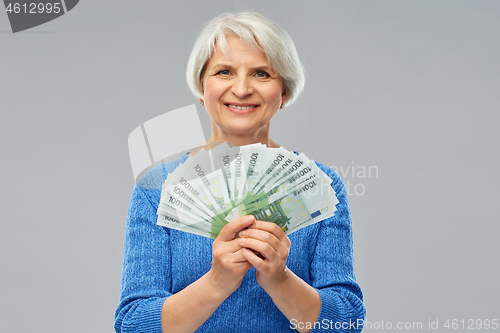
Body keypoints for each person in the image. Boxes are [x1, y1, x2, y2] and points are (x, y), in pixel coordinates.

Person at [114, 11, 365, 333]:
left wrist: (279, 279)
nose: (242, 89)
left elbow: (345, 323)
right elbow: (134, 325)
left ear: (284, 92)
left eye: (261, 74)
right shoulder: (157, 188)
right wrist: (218, 281)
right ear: (201, 88)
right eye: (224, 72)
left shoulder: (322, 186)